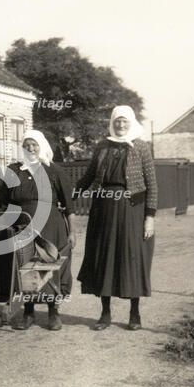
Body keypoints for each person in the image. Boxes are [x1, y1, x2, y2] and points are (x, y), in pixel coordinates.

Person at [76, 105, 157, 331]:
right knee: (104, 257)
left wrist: (149, 216)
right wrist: (68, 194)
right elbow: (89, 176)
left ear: (131, 122)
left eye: (125, 121)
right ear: (112, 122)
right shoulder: (102, 146)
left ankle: (134, 313)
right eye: (117, 121)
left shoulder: (141, 147)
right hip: (104, 208)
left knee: (131, 257)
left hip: (133, 208)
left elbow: (152, 184)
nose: (121, 125)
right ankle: (105, 313)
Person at [0, 129, 76, 331]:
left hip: (51, 225)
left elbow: (69, 206)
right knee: (25, 266)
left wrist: (72, 231)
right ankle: (28, 312)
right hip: (22, 225)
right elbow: (4, 203)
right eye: (27, 145)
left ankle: (53, 312)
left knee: (49, 265)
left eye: (34, 144)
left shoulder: (54, 171)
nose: (31, 148)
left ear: (42, 146)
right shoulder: (13, 170)